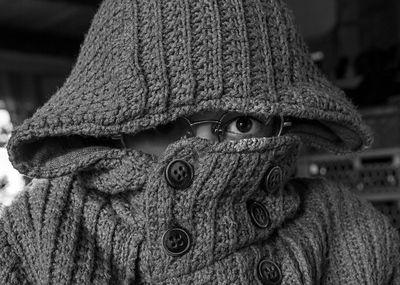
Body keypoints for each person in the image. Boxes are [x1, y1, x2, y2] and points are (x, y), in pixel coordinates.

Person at [1, 0, 399, 284]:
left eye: (242, 123)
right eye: (164, 125)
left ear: (285, 119)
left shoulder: (352, 230)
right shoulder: (36, 232)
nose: (208, 152)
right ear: (108, 128)